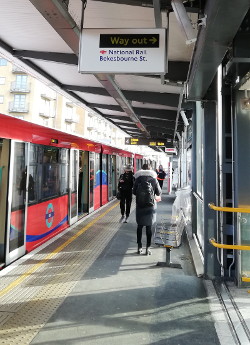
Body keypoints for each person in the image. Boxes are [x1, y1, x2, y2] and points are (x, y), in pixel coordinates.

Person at [133, 163, 161, 255]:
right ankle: (148, 248)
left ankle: (139, 247)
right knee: (149, 227)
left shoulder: (138, 179)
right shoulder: (154, 179)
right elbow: (158, 192)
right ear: (150, 169)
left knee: (139, 227)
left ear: (142, 169)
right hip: (150, 206)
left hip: (140, 205)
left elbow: (134, 192)